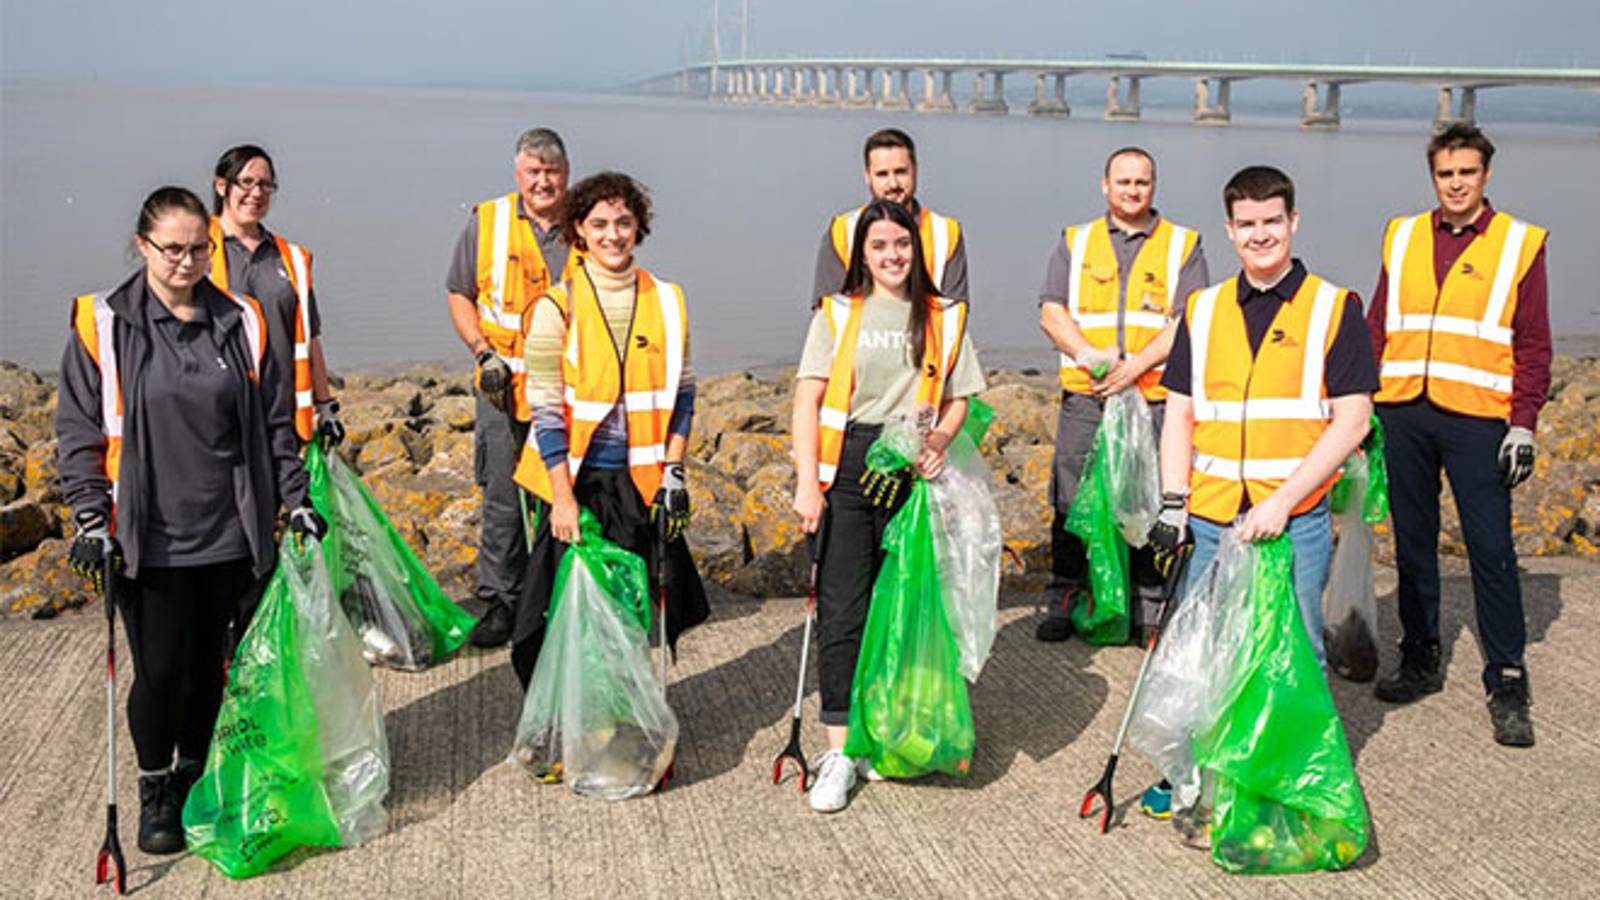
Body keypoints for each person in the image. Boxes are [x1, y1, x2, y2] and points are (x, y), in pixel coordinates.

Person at [55, 187, 326, 856]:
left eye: (199, 249)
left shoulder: (244, 320)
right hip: (145, 534)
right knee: (161, 672)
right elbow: (78, 430)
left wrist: (296, 499)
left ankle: (192, 776)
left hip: (229, 528)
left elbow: (275, 427)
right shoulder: (105, 323)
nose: (187, 261)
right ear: (142, 246)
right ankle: (154, 789)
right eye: (171, 249)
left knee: (210, 670)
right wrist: (91, 517)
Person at [1143, 165, 1377, 819]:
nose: (1261, 234)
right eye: (1247, 224)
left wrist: (1281, 501)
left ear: (1293, 222)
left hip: (1292, 519)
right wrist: (1171, 504)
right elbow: (1180, 417)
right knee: (1205, 650)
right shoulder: (1205, 308)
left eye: (1273, 221)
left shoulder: (1335, 308)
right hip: (1213, 518)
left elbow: (1352, 420)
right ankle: (1192, 770)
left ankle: (1295, 781)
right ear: (1230, 229)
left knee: (1296, 652)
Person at [791, 199, 987, 813]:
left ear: (916, 249)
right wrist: (806, 483)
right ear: (862, 255)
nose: (892, 256)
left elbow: (959, 396)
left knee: (907, 607)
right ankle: (840, 751)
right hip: (848, 467)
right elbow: (807, 399)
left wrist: (935, 444)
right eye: (879, 247)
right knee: (843, 609)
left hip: (910, 471)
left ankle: (891, 729)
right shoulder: (838, 313)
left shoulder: (944, 318)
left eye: (901, 246)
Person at [1365, 124, 1550, 748]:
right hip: (1404, 413)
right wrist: (1362, 404)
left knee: (1491, 550)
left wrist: (1523, 422)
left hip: (1478, 419)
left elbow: (1534, 344)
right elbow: (1378, 324)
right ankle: (1419, 656)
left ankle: (1506, 677)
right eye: (1446, 173)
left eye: (1467, 172)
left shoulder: (1519, 244)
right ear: (1433, 176)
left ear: (1486, 174)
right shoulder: (1403, 233)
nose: (1456, 184)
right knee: (1413, 543)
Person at [507, 171, 709, 694]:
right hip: (576, 482)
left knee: (632, 612)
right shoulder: (555, 307)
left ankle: (627, 719)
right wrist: (561, 500)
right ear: (579, 230)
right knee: (561, 619)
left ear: (639, 227)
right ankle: (567, 722)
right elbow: (546, 410)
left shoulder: (668, 301)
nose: (612, 234)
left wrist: (675, 475)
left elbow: (682, 397)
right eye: (599, 224)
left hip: (642, 483)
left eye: (623, 222)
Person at [1035, 146, 1210, 645]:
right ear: (1105, 185)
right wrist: (1093, 358)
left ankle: (1147, 606)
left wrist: (1134, 367)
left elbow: (1187, 320)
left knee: (1149, 500)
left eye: (1142, 182)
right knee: (1070, 500)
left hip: (1153, 397)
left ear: (1154, 186)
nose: (1133, 190)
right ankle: (1065, 597)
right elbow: (1051, 310)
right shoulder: (1076, 241)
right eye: (1124, 181)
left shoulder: (1182, 244)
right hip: (1088, 396)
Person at [446, 128, 579, 647]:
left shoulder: (586, 223)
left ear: (565, 174)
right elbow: (459, 294)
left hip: (567, 391)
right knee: (503, 494)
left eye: (552, 172)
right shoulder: (488, 222)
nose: (543, 181)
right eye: (533, 172)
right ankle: (501, 601)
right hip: (502, 387)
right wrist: (482, 351)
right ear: (517, 173)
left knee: (564, 494)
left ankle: (560, 599)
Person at [209, 145, 343, 449]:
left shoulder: (291, 258)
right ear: (222, 186)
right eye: (246, 182)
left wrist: (326, 407)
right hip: (216, 418)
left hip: (281, 419)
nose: (256, 193)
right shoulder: (195, 251)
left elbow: (309, 339)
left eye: (265, 185)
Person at [812, 128, 968, 304]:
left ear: (915, 170)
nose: (893, 184)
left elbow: (955, 314)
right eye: (882, 174)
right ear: (867, 177)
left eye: (900, 172)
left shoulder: (946, 233)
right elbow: (826, 312)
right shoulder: (841, 232)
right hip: (858, 331)